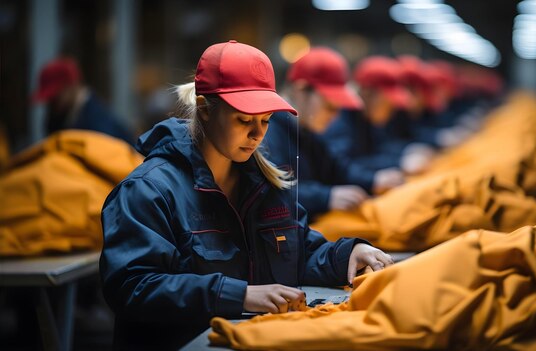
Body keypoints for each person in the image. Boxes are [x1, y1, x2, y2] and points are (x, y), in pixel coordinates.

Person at [99, 40, 394, 350]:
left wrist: (345, 255)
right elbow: (132, 287)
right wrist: (237, 295)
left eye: (265, 121)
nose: (257, 134)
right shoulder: (149, 190)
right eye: (244, 120)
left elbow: (300, 252)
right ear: (205, 110)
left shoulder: (264, 183)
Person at [263, 47, 404, 219]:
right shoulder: (267, 133)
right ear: (300, 91)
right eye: (330, 107)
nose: (335, 116)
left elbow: (338, 168)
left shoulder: (306, 130)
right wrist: (326, 197)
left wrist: (373, 180)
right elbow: (270, 193)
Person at [31, 57, 134, 143]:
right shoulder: (59, 117)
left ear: (71, 86)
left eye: (55, 97)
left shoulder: (97, 122)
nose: (51, 103)